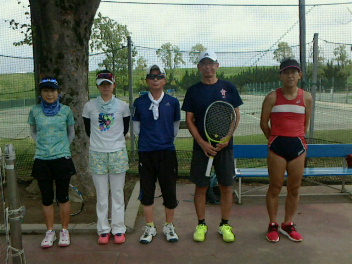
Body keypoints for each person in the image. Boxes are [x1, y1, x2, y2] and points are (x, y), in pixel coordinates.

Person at [181, 50, 243, 243]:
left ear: (217, 65)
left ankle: (225, 224)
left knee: (226, 187)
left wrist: (227, 137)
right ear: (199, 67)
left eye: (211, 63)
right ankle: (201, 224)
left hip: (225, 147)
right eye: (204, 63)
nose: (208, 67)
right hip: (202, 148)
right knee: (201, 187)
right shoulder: (193, 91)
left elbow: (236, 115)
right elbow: (189, 119)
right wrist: (201, 142)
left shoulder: (229, 88)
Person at [260, 58, 313, 243]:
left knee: (294, 188)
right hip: (277, 148)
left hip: (298, 148)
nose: (290, 75)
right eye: (286, 72)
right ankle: (273, 224)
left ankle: (288, 223)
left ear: (300, 75)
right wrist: (274, 141)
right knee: (275, 187)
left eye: (294, 72)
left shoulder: (306, 97)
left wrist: (297, 140)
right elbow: (263, 123)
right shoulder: (272, 97)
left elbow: (305, 124)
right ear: (281, 75)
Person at [132, 65, 181, 244]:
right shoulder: (140, 102)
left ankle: (169, 226)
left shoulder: (173, 102)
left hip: (167, 152)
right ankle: (150, 226)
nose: (155, 80)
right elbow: (136, 127)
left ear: (164, 80)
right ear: (147, 81)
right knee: (147, 190)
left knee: (169, 190)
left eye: (159, 77)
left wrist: (164, 140)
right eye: (151, 77)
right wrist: (150, 140)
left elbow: (175, 127)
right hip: (146, 152)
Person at [82, 70, 130, 245]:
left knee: (117, 193)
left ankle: (118, 229)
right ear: (98, 86)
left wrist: (113, 142)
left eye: (108, 84)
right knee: (102, 194)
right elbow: (88, 130)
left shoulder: (123, 106)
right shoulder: (89, 107)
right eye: (102, 84)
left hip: (117, 152)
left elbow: (124, 128)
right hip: (97, 153)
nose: (105, 87)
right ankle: (103, 229)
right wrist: (101, 143)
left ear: (114, 85)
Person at [29, 77, 76, 248]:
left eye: (52, 90)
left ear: (58, 92)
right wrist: (44, 146)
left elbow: (71, 133)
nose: (49, 94)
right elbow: (33, 132)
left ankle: (64, 231)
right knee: (47, 198)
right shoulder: (34, 111)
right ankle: (50, 232)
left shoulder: (66, 111)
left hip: (62, 159)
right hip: (42, 160)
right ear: (41, 93)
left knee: (63, 197)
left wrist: (61, 148)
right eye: (45, 91)